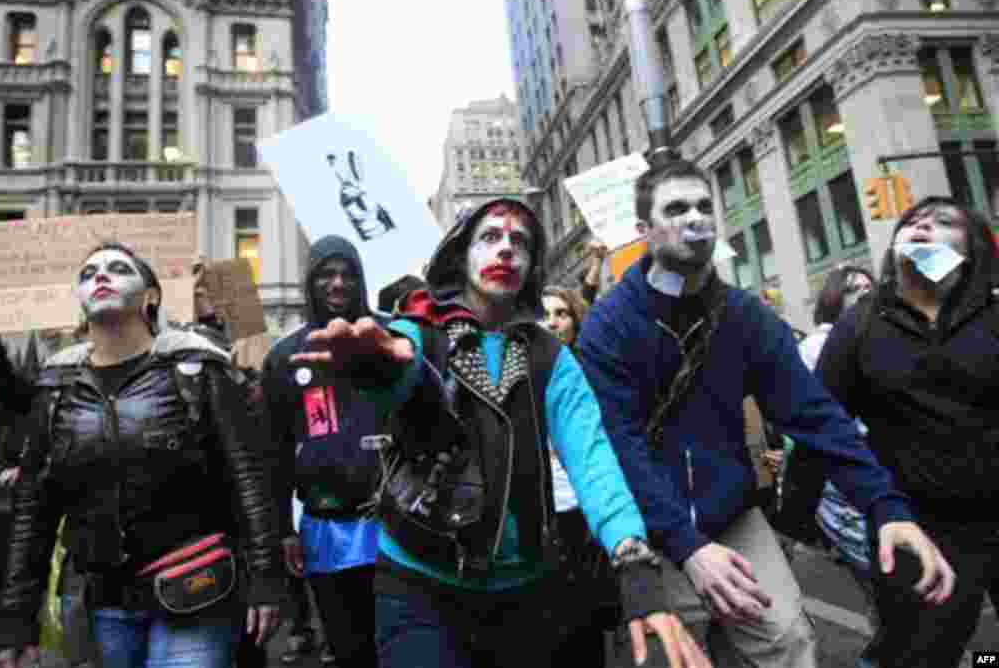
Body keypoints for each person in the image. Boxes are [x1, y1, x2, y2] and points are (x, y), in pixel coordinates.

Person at [293, 198, 712, 668]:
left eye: (521, 242)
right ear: (460, 253)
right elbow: (408, 373)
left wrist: (636, 569)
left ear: (532, 266)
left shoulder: (554, 359)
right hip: (418, 589)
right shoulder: (416, 335)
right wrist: (384, 369)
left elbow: (594, 463)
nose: (507, 250)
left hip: (529, 592)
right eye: (490, 237)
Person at [576, 158, 956, 668]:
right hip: (649, 527)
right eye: (676, 208)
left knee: (790, 642)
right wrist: (686, 546)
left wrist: (885, 508)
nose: (695, 218)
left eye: (703, 206)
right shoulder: (608, 325)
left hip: (733, 516)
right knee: (669, 656)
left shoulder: (746, 317)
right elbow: (619, 446)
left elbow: (816, 417)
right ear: (644, 231)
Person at [0, 242, 282, 668]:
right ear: (80, 299)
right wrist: (17, 615)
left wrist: (266, 577)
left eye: (117, 268)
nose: (101, 276)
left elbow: (249, 478)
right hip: (107, 602)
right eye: (89, 273)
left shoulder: (197, 370)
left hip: (195, 589)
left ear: (151, 296)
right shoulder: (55, 389)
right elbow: (33, 511)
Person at [816, 197, 999, 668]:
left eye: (942, 223)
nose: (922, 226)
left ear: (972, 246)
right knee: (922, 652)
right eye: (913, 221)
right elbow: (823, 425)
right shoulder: (858, 327)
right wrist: (797, 517)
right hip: (920, 527)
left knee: (989, 654)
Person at [262, 235, 383, 668]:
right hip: (327, 530)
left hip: (396, 527)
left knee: (402, 644)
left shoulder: (388, 341)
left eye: (347, 274)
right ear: (310, 283)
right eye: (326, 275)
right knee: (348, 647)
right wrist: (282, 529)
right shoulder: (284, 358)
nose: (337, 284)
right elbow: (273, 452)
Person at [767, 265, 881, 666]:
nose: (864, 294)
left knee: (902, 596)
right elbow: (814, 422)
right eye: (853, 290)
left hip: (894, 480)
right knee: (894, 589)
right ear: (834, 298)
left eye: (870, 286)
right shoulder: (818, 347)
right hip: (844, 485)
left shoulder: (884, 335)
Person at [539, 284, 620, 666]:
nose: (553, 322)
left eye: (561, 313)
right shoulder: (520, 374)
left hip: (585, 514)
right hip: (541, 519)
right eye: (545, 314)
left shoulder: (592, 373)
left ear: (574, 320)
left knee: (591, 626)